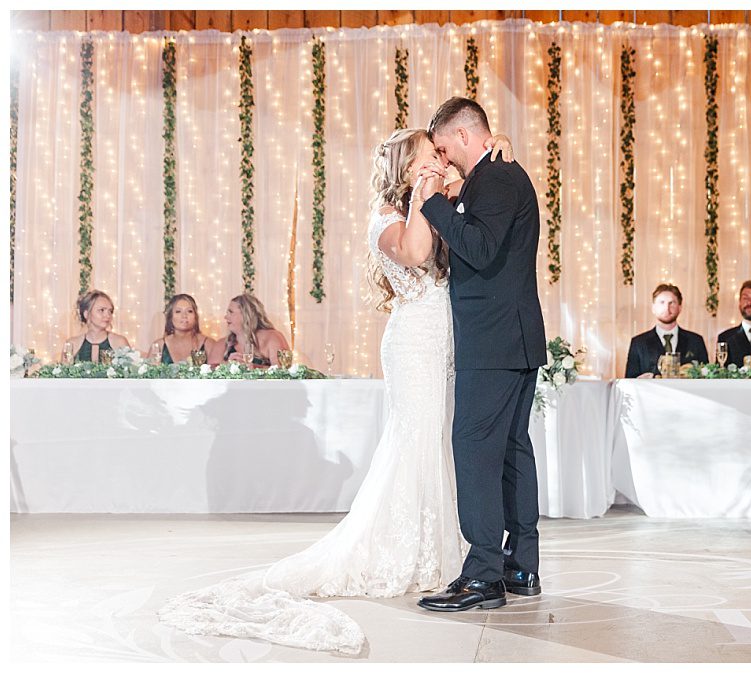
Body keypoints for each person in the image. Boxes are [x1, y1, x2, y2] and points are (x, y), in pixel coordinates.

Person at [158, 128, 513, 654]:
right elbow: (417, 254)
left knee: (441, 440)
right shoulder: (388, 219)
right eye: (426, 156)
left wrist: (488, 162)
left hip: (445, 341)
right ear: (405, 167)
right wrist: (426, 192)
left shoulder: (431, 196)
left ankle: (446, 549)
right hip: (414, 342)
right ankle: (408, 552)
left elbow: (473, 195)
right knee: (415, 440)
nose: (437, 161)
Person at [414, 96, 546, 612]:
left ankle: (484, 573)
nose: (442, 159)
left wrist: (434, 205)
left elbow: (483, 248)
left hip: (493, 340)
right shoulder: (498, 174)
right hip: (511, 337)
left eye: (444, 148)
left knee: (473, 449)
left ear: (466, 136)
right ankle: (521, 565)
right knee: (512, 450)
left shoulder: (495, 177)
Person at [625, 283, 709, 378]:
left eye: (672, 303)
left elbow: (706, 377)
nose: (667, 308)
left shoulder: (696, 341)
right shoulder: (638, 343)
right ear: (653, 308)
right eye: (662, 302)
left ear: (680, 307)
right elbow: (629, 381)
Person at [205, 293, 289, 367]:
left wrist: (255, 368)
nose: (226, 317)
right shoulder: (221, 344)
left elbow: (282, 372)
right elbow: (209, 374)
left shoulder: (272, 337)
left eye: (231, 312)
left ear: (247, 314)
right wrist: (226, 366)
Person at [64, 290, 131, 362]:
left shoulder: (120, 342)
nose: (108, 315)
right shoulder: (72, 344)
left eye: (110, 311)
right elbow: (63, 371)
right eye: (102, 310)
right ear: (86, 314)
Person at [147, 294, 214, 364]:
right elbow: (148, 373)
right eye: (178, 311)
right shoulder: (159, 346)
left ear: (195, 316)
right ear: (170, 316)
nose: (184, 316)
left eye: (189, 311)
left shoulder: (208, 344)